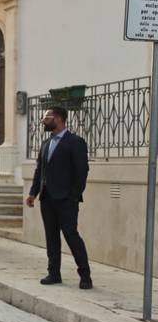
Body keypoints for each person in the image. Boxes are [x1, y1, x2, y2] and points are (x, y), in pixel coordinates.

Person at [27, 106, 93, 289]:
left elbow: (82, 171)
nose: (43, 120)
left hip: (66, 199)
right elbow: (40, 170)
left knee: (71, 236)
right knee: (51, 237)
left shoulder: (75, 142)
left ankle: (85, 275)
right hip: (47, 198)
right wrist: (33, 192)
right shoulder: (46, 144)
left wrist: (73, 195)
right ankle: (53, 273)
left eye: (46, 117)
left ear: (58, 119)